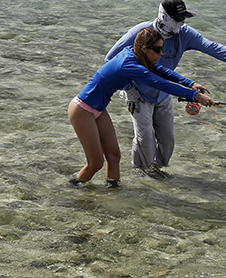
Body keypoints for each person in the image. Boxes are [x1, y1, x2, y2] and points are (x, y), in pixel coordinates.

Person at [105, 0, 226, 178]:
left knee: (167, 141)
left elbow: (211, 47)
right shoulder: (140, 33)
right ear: (164, 17)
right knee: (146, 141)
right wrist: (130, 89)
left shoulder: (185, 33)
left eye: (184, 18)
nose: (181, 23)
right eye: (177, 19)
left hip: (165, 92)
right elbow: (110, 59)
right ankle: (140, 176)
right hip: (139, 94)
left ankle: (155, 173)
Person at [69, 27, 215, 187]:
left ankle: (113, 194)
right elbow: (160, 83)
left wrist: (190, 84)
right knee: (96, 163)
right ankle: (72, 189)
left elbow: (160, 70)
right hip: (82, 110)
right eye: (158, 50)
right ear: (144, 49)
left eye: (162, 49)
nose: (161, 54)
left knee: (114, 156)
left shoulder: (131, 53)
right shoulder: (128, 64)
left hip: (98, 109)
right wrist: (195, 96)